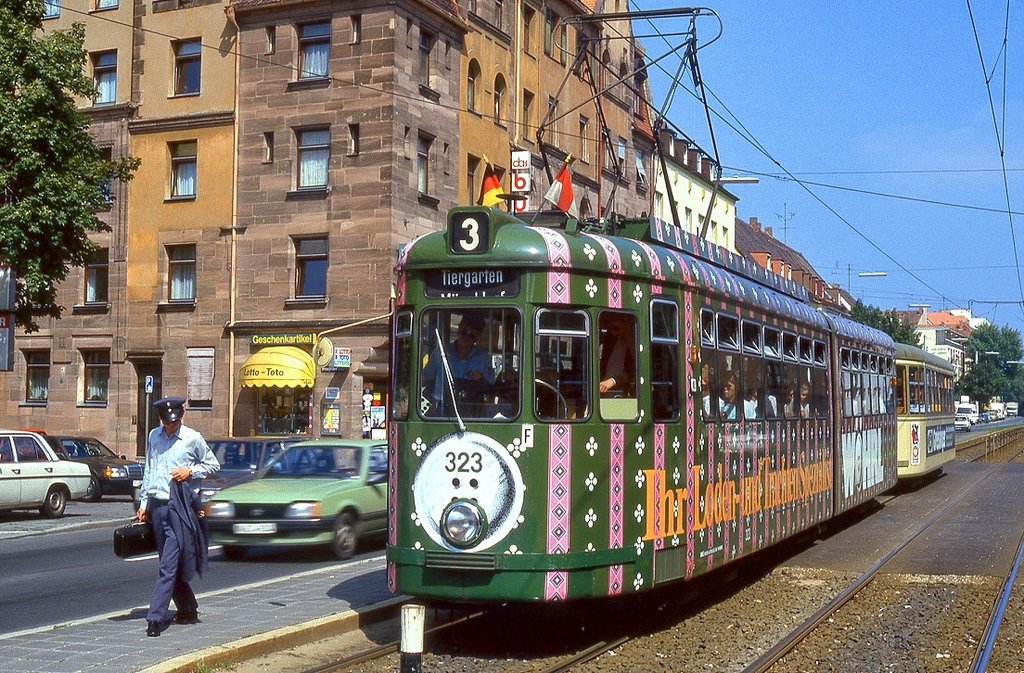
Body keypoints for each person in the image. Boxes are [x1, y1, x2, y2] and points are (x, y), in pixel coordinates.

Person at [137, 396, 219, 637]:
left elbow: (213, 465)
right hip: (158, 507)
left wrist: (190, 471)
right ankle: (187, 608)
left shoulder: (192, 438)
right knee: (168, 562)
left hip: (180, 509)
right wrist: (144, 502)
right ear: (160, 418)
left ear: (181, 417)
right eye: (167, 421)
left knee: (167, 565)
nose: (171, 425)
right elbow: (150, 469)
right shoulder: (154, 436)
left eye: (174, 421)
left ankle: (155, 618)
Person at [421, 313, 494, 412]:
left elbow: (490, 389)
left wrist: (480, 379)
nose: (466, 337)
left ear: (478, 337)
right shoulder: (440, 352)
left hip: (472, 412)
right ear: (458, 328)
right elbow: (425, 379)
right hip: (441, 410)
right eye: (463, 332)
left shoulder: (484, 358)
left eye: (471, 335)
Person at [599, 313, 635, 396]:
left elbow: (635, 370)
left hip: (622, 392)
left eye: (622, 322)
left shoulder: (635, 347)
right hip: (604, 389)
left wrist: (613, 381)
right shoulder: (609, 343)